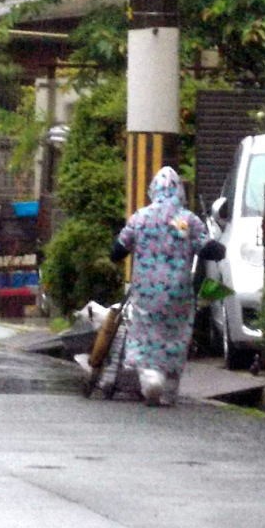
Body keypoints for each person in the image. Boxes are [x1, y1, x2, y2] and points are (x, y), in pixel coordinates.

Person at [109, 167, 226, 407]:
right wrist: (220, 248)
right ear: (179, 192)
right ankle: (169, 389)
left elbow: (117, 251)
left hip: (145, 293)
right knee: (176, 336)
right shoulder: (186, 220)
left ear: (153, 190)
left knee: (144, 334)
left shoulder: (140, 217)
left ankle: (151, 377)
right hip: (178, 293)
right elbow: (208, 248)